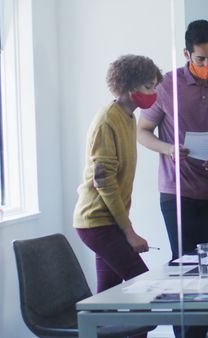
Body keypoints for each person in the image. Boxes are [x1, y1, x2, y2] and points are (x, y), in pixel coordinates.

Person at [137, 19, 208, 338]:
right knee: (183, 270)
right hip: (177, 192)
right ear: (187, 54)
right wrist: (168, 149)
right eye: (201, 59)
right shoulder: (165, 86)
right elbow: (142, 132)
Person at [73, 55, 162, 296]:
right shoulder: (107, 120)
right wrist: (129, 232)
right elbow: (104, 182)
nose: (153, 92)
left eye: (154, 86)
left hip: (108, 222)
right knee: (145, 289)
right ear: (128, 86)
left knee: (107, 298)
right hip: (97, 222)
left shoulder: (128, 117)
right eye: (148, 86)